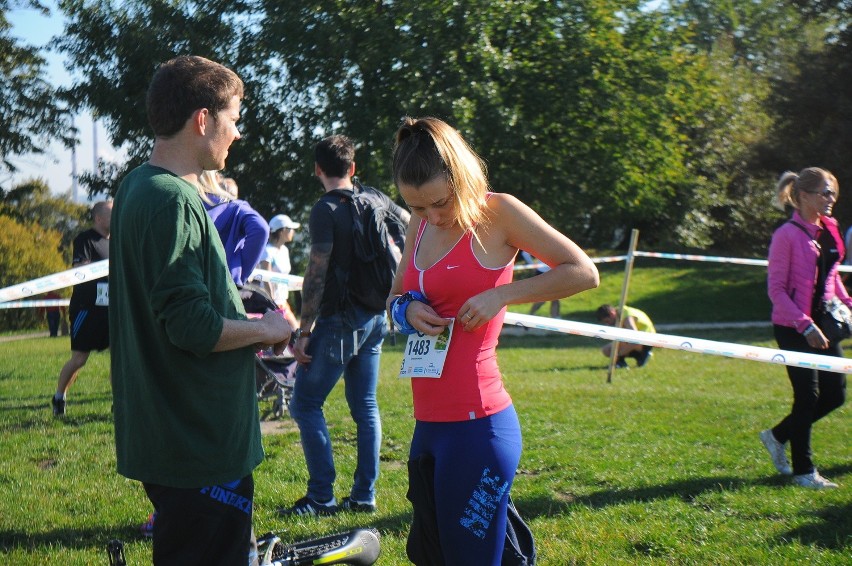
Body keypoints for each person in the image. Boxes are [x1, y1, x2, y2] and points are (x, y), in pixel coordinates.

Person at [388, 117, 599, 564]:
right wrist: (405, 310)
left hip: (478, 424)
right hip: (428, 423)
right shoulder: (419, 224)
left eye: (438, 203)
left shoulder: (499, 213)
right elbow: (394, 298)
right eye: (417, 207)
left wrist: (502, 295)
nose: (430, 216)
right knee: (432, 555)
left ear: (459, 176)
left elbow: (583, 271)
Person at [109, 55, 290, 564]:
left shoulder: (139, 187)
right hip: (199, 443)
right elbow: (192, 327)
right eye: (234, 117)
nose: (237, 132)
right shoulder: (173, 200)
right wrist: (266, 329)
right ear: (203, 119)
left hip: (174, 436)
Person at [278, 134, 410, 517]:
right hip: (374, 317)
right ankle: (363, 496)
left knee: (305, 404)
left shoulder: (324, 210)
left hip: (340, 320)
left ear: (318, 170)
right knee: (366, 407)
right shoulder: (378, 198)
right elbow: (412, 222)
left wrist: (304, 332)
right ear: (353, 168)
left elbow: (316, 273)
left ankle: (321, 497)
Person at [761, 167, 847, 490]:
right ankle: (804, 471)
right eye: (825, 193)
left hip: (824, 325)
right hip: (792, 326)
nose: (831, 199)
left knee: (835, 395)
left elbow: (831, 276)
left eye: (834, 193)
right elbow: (777, 291)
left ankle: (777, 435)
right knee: (807, 396)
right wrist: (804, 324)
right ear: (804, 196)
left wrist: (848, 305)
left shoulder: (830, 229)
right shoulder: (786, 235)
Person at [51, 200, 113, 417]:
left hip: (110, 309)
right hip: (86, 309)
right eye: (111, 214)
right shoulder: (84, 240)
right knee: (80, 359)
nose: (115, 218)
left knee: (119, 356)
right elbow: (79, 270)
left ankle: (119, 402)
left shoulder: (115, 241)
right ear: (98, 218)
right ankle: (59, 397)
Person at [198, 171, 270, 286]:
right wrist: (238, 275)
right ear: (215, 177)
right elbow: (260, 229)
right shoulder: (234, 207)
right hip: (222, 288)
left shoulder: (177, 202)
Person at [259, 213, 301, 330]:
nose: (293, 231)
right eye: (290, 229)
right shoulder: (267, 251)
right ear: (282, 231)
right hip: (270, 303)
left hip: (283, 301)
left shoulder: (285, 250)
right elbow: (266, 279)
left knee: (296, 333)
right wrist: (273, 305)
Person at [595, 304, 655, 369]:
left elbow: (635, 337)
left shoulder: (626, 317)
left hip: (647, 340)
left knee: (615, 347)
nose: (608, 324)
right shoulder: (619, 312)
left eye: (607, 321)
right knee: (606, 350)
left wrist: (619, 355)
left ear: (612, 314)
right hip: (639, 340)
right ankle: (638, 356)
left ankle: (643, 353)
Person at [520, 250, 560, 318]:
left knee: (556, 297)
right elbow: (525, 253)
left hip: (553, 273)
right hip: (542, 273)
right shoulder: (543, 242)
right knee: (543, 299)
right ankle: (530, 316)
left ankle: (555, 319)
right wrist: (533, 265)